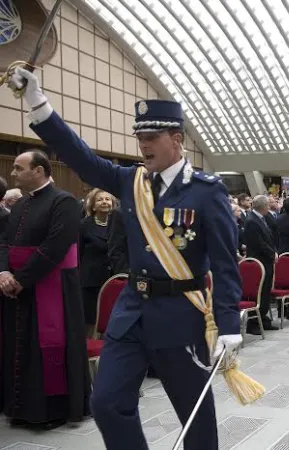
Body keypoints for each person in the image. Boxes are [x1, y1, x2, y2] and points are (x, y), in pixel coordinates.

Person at [10, 67, 242, 450]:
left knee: (194, 413)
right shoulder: (129, 182)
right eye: (140, 138)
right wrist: (38, 103)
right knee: (106, 403)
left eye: (151, 137)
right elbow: (79, 156)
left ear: (177, 139)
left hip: (181, 315)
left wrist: (230, 324)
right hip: (132, 311)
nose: (143, 145)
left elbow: (225, 263)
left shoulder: (206, 191)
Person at [0, 150, 90, 429]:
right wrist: (3, 272)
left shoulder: (64, 202)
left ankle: (51, 411)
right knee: (19, 347)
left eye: (18, 168)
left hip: (52, 288)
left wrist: (21, 279)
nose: (13, 173)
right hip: (18, 287)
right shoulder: (19, 204)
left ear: (38, 171)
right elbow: (4, 242)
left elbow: (54, 248)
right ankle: (21, 407)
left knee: (47, 349)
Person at [79, 188, 114, 336]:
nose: (104, 202)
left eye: (107, 199)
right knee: (91, 323)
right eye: (100, 199)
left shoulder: (120, 224)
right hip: (90, 281)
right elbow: (78, 254)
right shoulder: (84, 225)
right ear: (93, 206)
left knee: (112, 320)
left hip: (113, 279)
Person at [243, 195, 279, 334]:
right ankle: (253, 323)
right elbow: (258, 243)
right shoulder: (252, 221)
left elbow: (269, 238)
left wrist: (273, 251)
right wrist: (272, 253)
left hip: (266, 261)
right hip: (259, 262)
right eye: (267, 206)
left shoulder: (260, 219)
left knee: (265, 292)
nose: (269, 208)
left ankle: (263, 319)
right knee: (258, 292)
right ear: (263, 207)